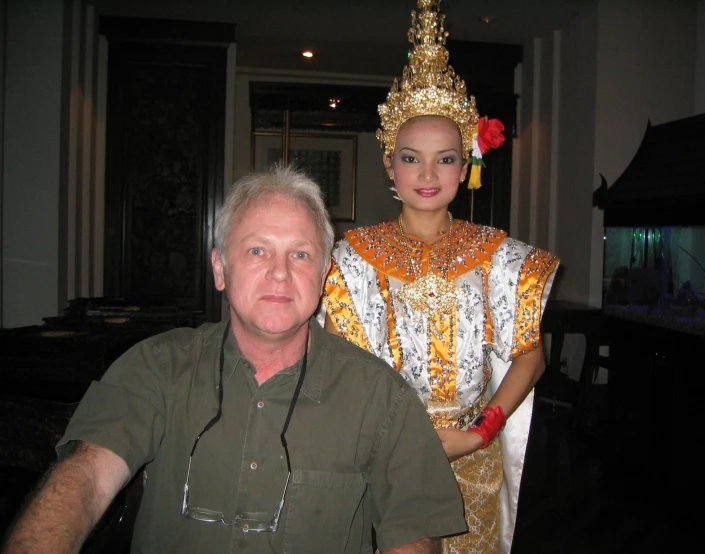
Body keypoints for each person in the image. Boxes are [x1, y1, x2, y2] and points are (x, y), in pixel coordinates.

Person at [1, 165, 469, 554]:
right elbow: (85, 477)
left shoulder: (380, 396)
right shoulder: (157, 367)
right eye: (257, 250)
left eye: (301, 254)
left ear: (325, 274)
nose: (281, 273)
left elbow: (414, 532)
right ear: (220, 268)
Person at [321, 2, 560, 553]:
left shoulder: (502, 257)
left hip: (474, 454)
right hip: (380, 458)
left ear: (467, 163)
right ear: (389, 162)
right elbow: (337, 367)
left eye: (445, 159)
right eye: (411, 158)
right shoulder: (348, 260)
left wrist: (479, 432)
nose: (428, 175)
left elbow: (530, 354)